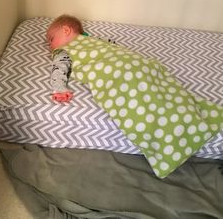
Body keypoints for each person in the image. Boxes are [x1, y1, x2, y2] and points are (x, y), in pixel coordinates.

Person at [46, 14, 222, 178]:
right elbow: (112, 45)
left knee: (139, 104)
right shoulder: (93, 40)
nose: (50, 46)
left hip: (118, 70)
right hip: (139, 64)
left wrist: (59, 88)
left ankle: (172, 138)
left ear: (66, 30)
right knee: (160, 92)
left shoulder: (63, 51)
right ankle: (190, 116)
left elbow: (59, 69)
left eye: (51, 39)